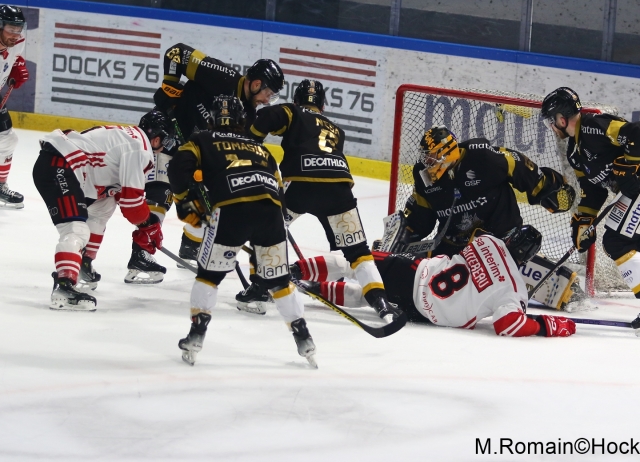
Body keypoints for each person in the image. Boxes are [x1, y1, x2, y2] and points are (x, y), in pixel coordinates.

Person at [242, 79, 405, 326]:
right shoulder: (337, 130)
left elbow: (266, 116)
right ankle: (381, 303)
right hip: (339, 190)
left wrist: (249, 145)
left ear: (297, 100)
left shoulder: (292, 111)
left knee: (267, 233)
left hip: (300, 186)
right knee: (358, 252)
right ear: (323, 105)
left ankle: (259, 290)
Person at [168, 95, 316, 367]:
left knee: (209, 277)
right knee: (279, 281)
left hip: (231, 211)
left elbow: (177, 166)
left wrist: (184, 200)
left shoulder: (201, 139)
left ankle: (196, 334)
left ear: (213, 118)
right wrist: (268, 235)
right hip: (271, 216)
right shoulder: (263, 150)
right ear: (242, 121)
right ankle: (303, 336)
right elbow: (279, 189)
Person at [541, 87, 640, 336]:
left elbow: (637, 133)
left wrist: (627, 166)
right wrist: (583, 219)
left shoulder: (593, 125)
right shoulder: (575, 152)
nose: (552, 126)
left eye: (552, 121)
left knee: (616, 241)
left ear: (561, 119)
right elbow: (593, 191)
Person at [292, 226, 576, 337]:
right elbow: (507, 324)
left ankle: (295, 272)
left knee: (356, 264)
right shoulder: (514, 289)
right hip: (428, 315)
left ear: (510, 237)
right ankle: (315, 290)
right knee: (362, 297)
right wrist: (544, 325)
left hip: (415, 274)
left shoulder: (489, 239)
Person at [147, 42, 284, 271]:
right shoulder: (222, 76)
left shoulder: (248, 117)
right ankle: (141, 254)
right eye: (268, 94)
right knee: (161, 192)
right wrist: (170, 88)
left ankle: (191, 244)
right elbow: (176, 53)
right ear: (257, 84)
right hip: (168, 135)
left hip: (194, 156)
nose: (267, 100)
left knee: (205, 209)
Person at [32, 112, 171, 311]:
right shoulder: (140, 149)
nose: (165, 146)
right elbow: (132, 204)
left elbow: (121, 195)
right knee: (75, 229)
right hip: (59, 166)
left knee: (105, 203)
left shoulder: (131, 137)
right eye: (166, 139)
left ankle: (84, 262)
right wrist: (149, 224)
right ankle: (64, 287)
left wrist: (145, 224)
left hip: (63, 164)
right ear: (156, 138)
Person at [390, 125, 576, 258]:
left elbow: (517, 164)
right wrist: (407, 232)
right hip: (454, 245)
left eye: (430, 158)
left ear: (446, 153)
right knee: (409, 271)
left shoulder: (482, 157)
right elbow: (422, 217)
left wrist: (547, 188)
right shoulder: (425, 179)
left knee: (528, 248)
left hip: (503, 240)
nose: (427, 163)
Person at [0, 5, 29, 209]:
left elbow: (16, 56)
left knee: (7, 139)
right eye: (10, 29)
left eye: (18, 29)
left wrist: (17, 65)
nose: (15, 34)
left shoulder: (17, 40)